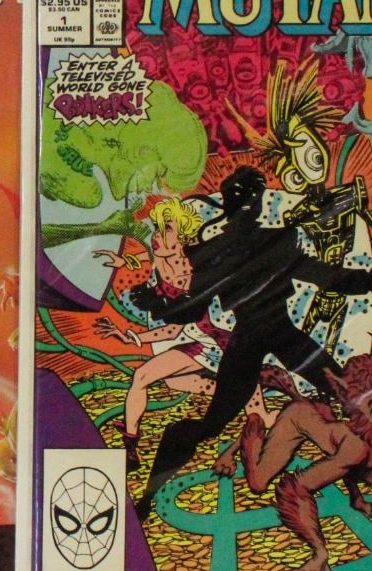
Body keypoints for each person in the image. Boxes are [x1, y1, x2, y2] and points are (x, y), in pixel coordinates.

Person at [93, 197, 276, 471]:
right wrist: (122, 261)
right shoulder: (161, 260)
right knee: (143, 376)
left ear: (183, 239)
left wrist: (135, 336)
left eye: (167, 230)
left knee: (261, 416)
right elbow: (147, 264)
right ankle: (130, 448)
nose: (157, 236)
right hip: (199, 344)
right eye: (158, 228)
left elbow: (177, 326)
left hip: (229, 347)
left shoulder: (195, 270)